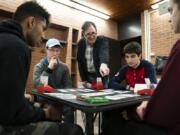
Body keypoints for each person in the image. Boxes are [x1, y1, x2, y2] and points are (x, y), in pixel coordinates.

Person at [0, 1, 83, 135]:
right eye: (43, 29)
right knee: (74, 131)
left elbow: (68, 88)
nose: (43, 35)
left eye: (57, 50)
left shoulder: (64, 67)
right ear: (31, 22)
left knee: (67, 110)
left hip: (58, 100)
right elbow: (37, 87)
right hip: (42, 101)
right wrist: (44, 112)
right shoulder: (18, 48)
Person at [102, 0, 180, 135]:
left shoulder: (148, 66)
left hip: (141, 103)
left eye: (132, 56)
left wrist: (134, 110)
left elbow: (152, 86)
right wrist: (127, 87)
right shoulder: (124, 69)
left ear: (140, 56)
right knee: (109, 112)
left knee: (119, 122)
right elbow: (111, 83)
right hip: (130, 101)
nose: (129, 60)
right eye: (126, 57)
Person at [77, 21, 110, 135]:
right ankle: (89, 131)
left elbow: (103, 53)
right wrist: (84, 80)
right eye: (88, 34)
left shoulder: (102, 40)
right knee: (88, 105)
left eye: (93, 33)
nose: (91, 36)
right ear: (83, 35)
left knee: (105, 104)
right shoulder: (81, 44)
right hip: (89, 77)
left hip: (101, 76)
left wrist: (104, 64)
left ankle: (105, 131)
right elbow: (80, 63)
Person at [33, 38, 74, 123]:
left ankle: (68, 131)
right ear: (46, 50)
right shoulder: (39, 66)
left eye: (57, 50)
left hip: (60, 99)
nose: (55, 53)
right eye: (52, 50)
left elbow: (68, 86)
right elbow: (39, 86)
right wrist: (49, 69)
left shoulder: (64, 67)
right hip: (44, 99)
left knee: (69, 108)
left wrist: (65, 97)